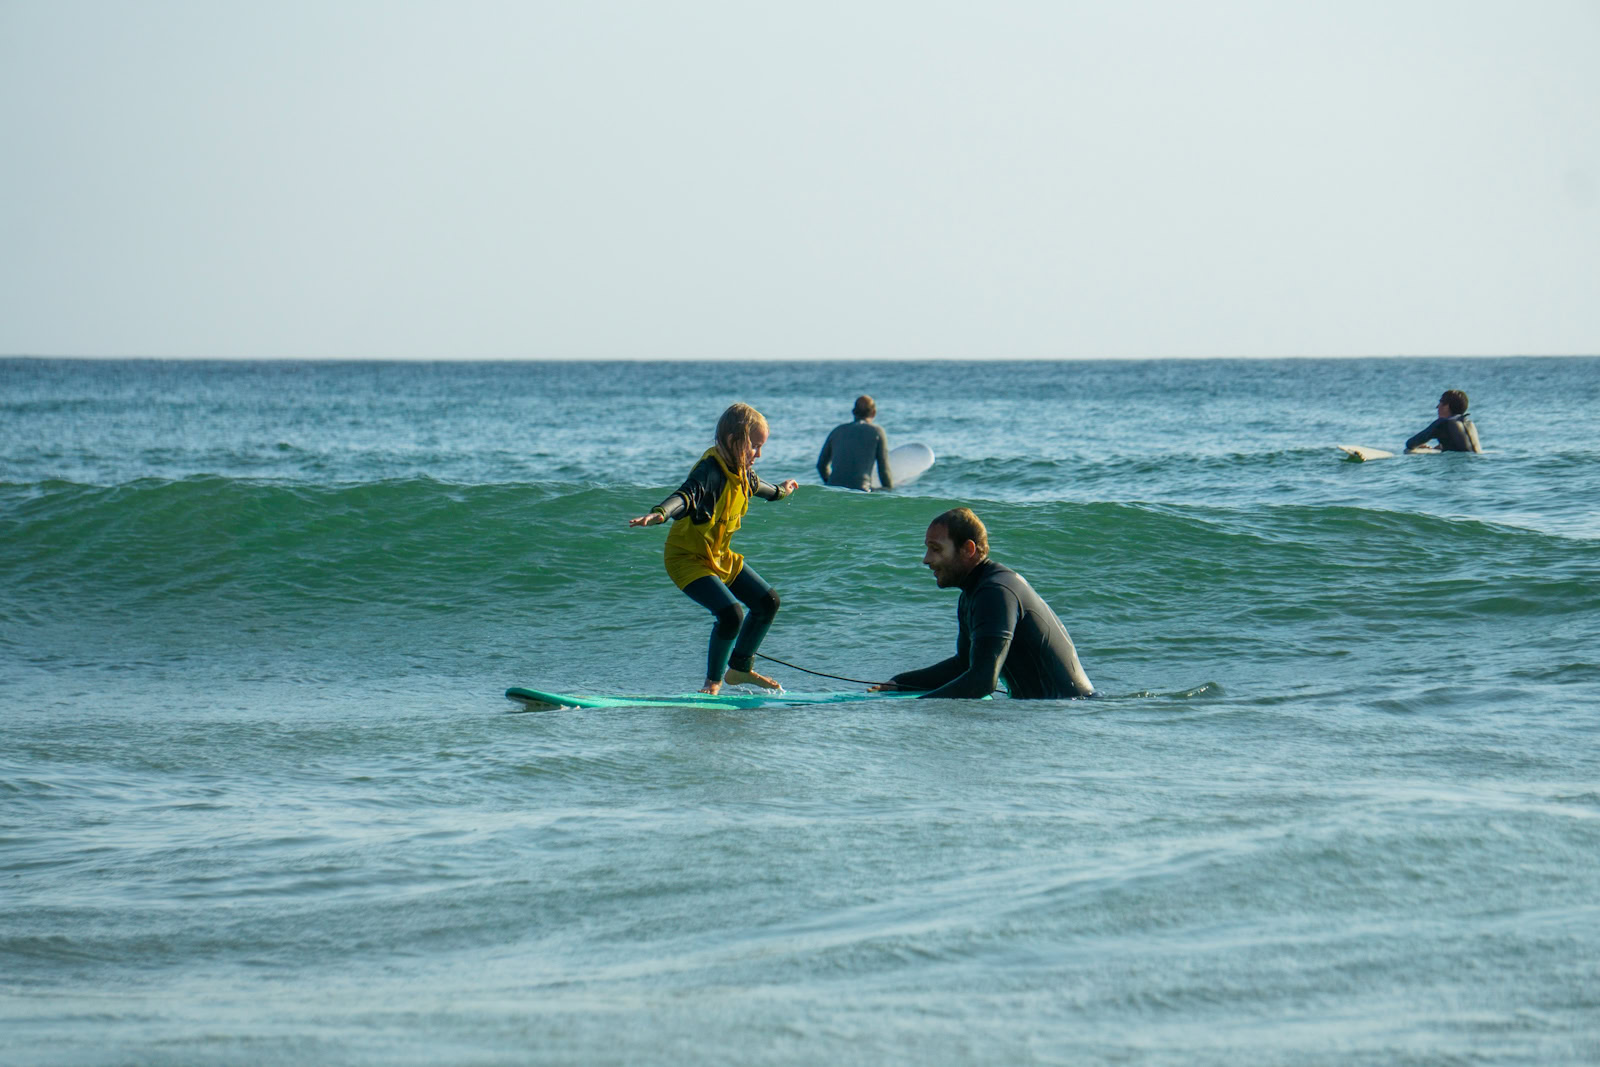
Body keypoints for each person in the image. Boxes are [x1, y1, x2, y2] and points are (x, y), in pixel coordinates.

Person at [629, 404, 800, 695]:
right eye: (754, 446)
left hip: (719, 555)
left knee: (767, 603)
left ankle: (740, 669)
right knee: (731, 614)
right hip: (687, 558)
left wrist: (784, 490)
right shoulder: (711, 471)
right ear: (735, 441)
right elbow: (687, 494)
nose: (758, 455)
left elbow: (765, 490)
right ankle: (712, 683)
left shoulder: (742, 472)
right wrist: (661, 513)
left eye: (761, 447)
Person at [869, 508, 1095, 699]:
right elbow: (966, 665)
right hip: (1054, 713)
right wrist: (901, 683)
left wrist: (915, 705)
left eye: (936, 549)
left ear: (968, 549)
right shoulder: (974, 592)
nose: (926, 559)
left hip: (1070, 712)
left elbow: (982, 681)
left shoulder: (995, 592)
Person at [816, 395, 893, 491]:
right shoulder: (877, 432)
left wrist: (830, 483)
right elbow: (883, 470)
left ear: (853, 412)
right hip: (861, 491)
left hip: (834, 489)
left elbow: (821, 465)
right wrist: (889, 490)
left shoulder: (837, 431)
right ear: (874, 413)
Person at [1405, 389, 1482, 453]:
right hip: (1476, 463)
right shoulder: (1469, 423)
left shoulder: (1442, 423)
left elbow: (1410, 444)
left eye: (1440, 402)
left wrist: (1421, 446)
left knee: (1408, 451)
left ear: (1447, 406)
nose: (1437, 407)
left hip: (1459, 465)